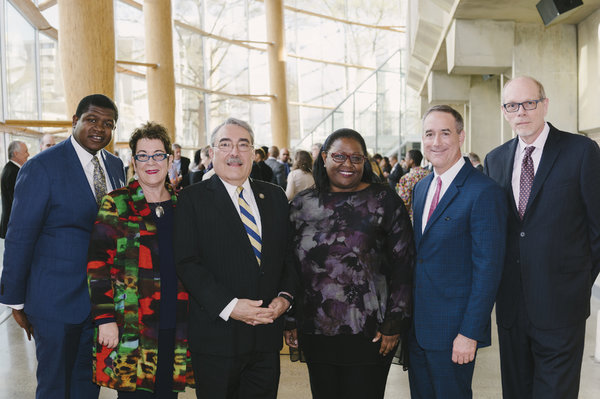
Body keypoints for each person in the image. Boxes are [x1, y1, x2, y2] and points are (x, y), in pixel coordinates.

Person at [0, 94, 126, 399]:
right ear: (75, 121)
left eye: (108, 124)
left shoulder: (116, 165)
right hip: (54, 302)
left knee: (87, 386)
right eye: (92, 120)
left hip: (103, 304)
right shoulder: (42, 166)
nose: (100, 128)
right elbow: (20, 236)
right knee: (56, 387)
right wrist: (14, 300)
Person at [484, 76, 600, 399]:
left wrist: (575, 283)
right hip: (511, 311)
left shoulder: (581, 151)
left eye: (528, 103)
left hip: (562, 309)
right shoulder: (495, 161)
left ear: (544, 105)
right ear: (505, 112)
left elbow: (597, 229)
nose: (520, 111)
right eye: (511, 105)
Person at [285, 128, 414, 399]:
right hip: (316, 328)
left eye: (357, 158)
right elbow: (290, 264)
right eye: (340, 156)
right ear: (323, 158)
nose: (348, 164)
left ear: (365, 162)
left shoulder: (383, 200)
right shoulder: (302, 204)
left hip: (370, 331)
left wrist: (394, 321)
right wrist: (290, 318)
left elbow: (404, 262)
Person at [174, 117, 296, 399]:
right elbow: (187, 262)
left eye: (243, 145)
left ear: (253, 153)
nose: (234, 153)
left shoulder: (275, 197)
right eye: (225, 144)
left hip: (265, 337)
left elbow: (289, 255)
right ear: (211, 152)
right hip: (217, 338)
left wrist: (285, 297)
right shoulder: (192, 200)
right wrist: (230, 307)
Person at [87, 122, 194, 398]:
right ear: (133, 161)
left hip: (176, 321)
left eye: (158, 154)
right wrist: (104, 319)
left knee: (168, 394)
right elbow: (97, 265)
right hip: (133, 325)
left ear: (170, 159)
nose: (151, 162)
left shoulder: (183, 206)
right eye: (143, 155)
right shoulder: (117, 204)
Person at [409, 105, 507, 398]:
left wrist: (470, 333)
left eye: (445, 133)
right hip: (418, 329)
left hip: (455, 332)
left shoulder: (484, 191)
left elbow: (488, 269)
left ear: (461, 136)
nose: (436, 142)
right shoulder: (422, 188)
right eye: (429, 134)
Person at [0, 141, 29, 238]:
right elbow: (18, 202)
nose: (28, 154)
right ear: (16, 154)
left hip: (11, 224)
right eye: (25, 152)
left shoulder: (10, 169)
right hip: (13, 226)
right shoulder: (13, 172)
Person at [398, 149, 430, 222]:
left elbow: (404, 203)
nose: (405, 160)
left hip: (414, 218)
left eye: (406, 158)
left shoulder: (406, 178)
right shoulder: (430, 174)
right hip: (429, 215)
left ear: (411, 161)